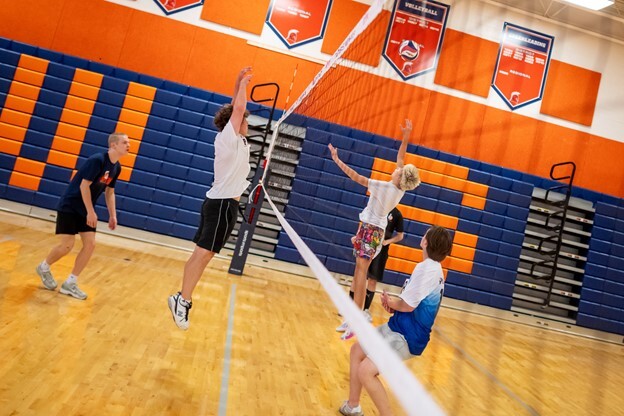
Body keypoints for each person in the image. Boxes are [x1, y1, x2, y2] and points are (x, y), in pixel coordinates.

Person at [168, 67, 253, 330]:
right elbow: (236, 110)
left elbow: (233, 109)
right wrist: (244, 86)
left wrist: (237, 81)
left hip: (220, 204)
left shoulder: (237, 140)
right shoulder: (228, 138)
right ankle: (183, 299)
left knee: (200, 254)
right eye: (244, 119)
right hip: (222, 205)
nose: (247, 122)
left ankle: (180, 297)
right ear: (237, 123)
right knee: (204, 255)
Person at [338, 225, 453, 416]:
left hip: (407, 337)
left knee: (366, 371)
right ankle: (353, 405)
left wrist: (393, 303)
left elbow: (408, 305)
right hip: (397, 326)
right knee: (357, 350)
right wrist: (393, 305)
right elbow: (410, 304)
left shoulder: (427, 270)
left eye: (425, 234)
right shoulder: (432, 269)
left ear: (425, 242)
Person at [329, 119, 420, 340]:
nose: (395, 169)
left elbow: (357, 178)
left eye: (399, 171)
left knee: (361, 273)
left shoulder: (386, 187)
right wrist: (406, 136)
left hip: (371, 231)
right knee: (357, 274)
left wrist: (337, 160)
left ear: (400, 177)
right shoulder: (400, 189)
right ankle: (351, 319)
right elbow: (401, 158)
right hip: (368, 229)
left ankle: (356, 323)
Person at [35, 132, 131, 300]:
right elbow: (83, 186)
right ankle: (43, 267)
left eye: (128, 143)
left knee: (90, 244)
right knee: (67, 245)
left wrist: (112, 215)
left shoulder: (117, 167)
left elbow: (110, 192)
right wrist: (90, 211)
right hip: (71, 206)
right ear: (113, 145)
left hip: (86, 209)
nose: (128, 145)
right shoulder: (97, 160)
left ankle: (70, 283)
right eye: (124, 142)